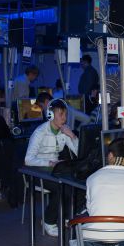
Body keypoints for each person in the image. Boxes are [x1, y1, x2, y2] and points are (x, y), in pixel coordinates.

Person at [24, 99, 78, 236]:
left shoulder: (64, 130)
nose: (64, 118)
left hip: (55, 170)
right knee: (62, 187)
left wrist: (72, 136)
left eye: (65, 115)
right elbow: (28, 160)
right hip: (37, 171)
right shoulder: (40, 132)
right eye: (61, 115)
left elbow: (79, 152)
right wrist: (49, 163)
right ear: (51, 115)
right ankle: (48, 221)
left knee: (74, 184)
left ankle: (66, 217)